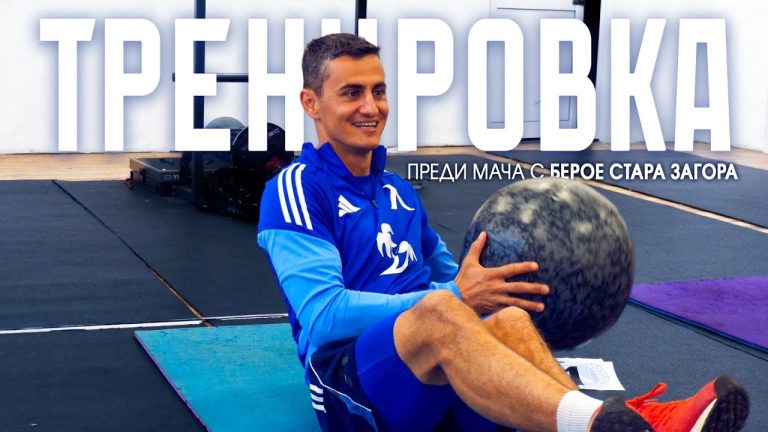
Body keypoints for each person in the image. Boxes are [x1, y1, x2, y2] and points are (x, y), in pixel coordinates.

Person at [257, 33, 749, 432]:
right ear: (311, 103)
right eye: (352, 93)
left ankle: (605, 421)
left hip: (429, 372)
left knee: (507, 316)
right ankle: (602, 422)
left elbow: (465, 279)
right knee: (443, 309)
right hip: (348, 385)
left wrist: (497, 290)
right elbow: (323, 317)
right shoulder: (296, 189)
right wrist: (454, 296)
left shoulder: (398, 191)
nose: (371, 106)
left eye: (378, 91)